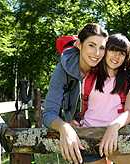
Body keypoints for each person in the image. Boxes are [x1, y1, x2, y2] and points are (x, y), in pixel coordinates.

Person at [77, 34, 130, 164]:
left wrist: (113, 127)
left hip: (117, 135)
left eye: (122, 53)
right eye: (113, 50)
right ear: (104, 50)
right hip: (89, 135)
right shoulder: (88, 75)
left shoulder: (129, 80)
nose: (117, 56)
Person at [43, 23, 108, 164]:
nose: (97, 53)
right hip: (81, 137)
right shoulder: (62, 71)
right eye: (91, 45)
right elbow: (48, 114)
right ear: (79, 44)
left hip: (108, 133)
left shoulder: (107, 68)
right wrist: (64, 127)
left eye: (101, 47)